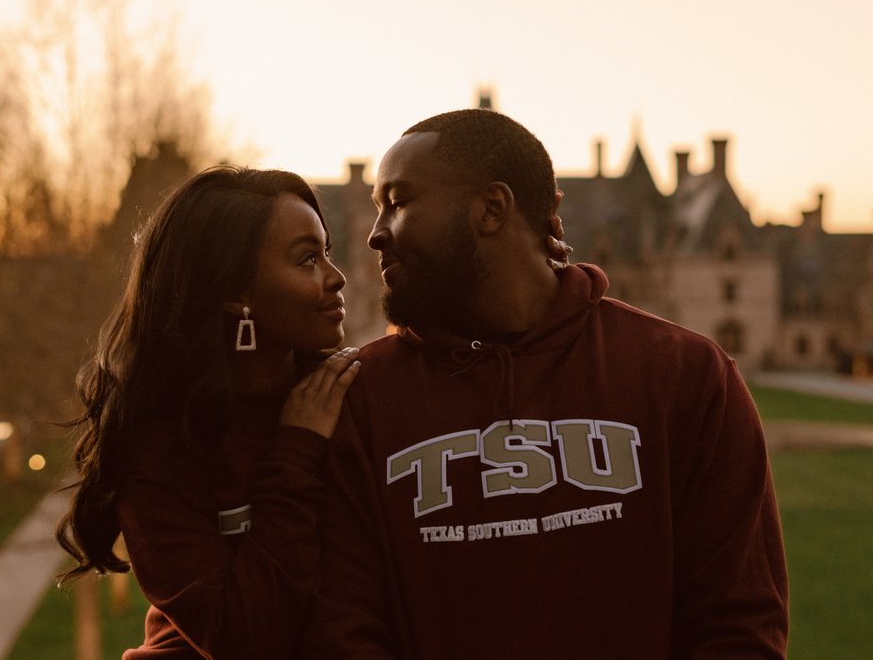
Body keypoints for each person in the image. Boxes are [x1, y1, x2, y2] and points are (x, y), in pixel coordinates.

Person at [304, 109, 789, 658]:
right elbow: (344, 629)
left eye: (399, 202)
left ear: (492, 209)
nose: (374, 236)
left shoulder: (685, 376)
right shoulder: (360, 398)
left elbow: (737, 623)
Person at [55, 166, 362, 659]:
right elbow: (242, 636)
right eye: (307, 259)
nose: (336, 277)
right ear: (236, 293)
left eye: (327, 252)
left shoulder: (352, 394)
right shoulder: (159, 449)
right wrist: (297, 450)